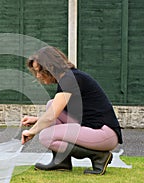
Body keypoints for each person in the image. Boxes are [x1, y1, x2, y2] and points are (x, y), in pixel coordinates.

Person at [21, 46, 123, 175]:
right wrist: (37, 120)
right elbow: (55, 112)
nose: (38, 76)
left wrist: (31, 132)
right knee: (51, 104)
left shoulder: (70, 79)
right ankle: (61, 162)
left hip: (104, 134)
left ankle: (98, 156)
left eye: (40, 71)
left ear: (51, 67)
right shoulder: (70, 77)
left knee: (46, 136)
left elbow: (51, 117)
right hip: (93, 129)